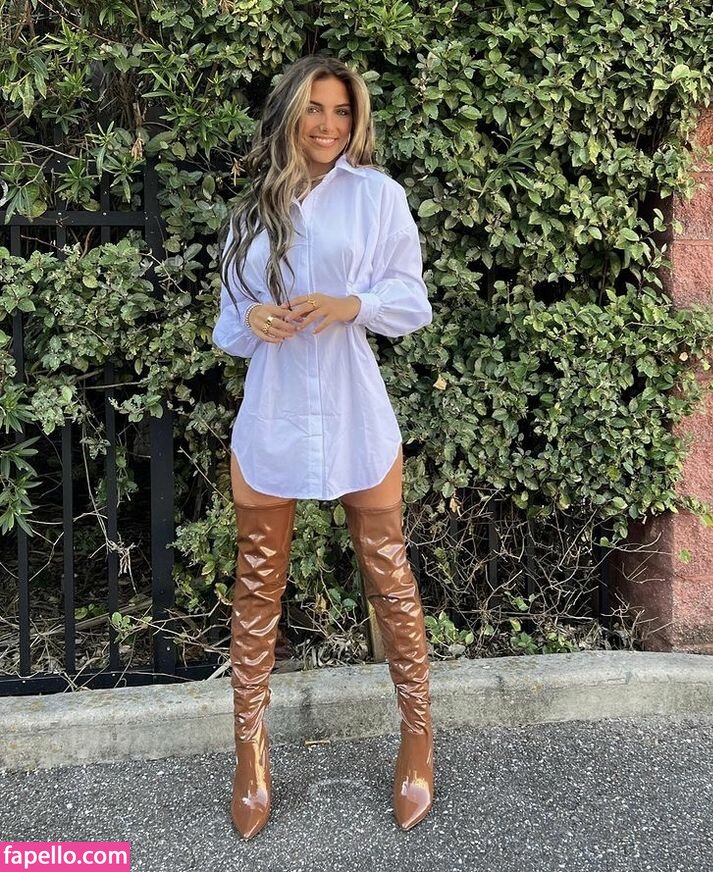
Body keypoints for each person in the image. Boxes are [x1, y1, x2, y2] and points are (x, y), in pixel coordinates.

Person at [212, 54, 434, 841]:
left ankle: (418, 738)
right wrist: (253, 320)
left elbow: (411, 301)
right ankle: (250, 754)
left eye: (342, 111)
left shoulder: (377, 197)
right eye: (316, 108)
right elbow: (228, 324)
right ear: (290, 113)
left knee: (390, 580)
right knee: (256, 590)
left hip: (353, 413)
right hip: (272, 417)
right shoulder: (253, 211)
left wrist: (352, 304)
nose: (329, 125)